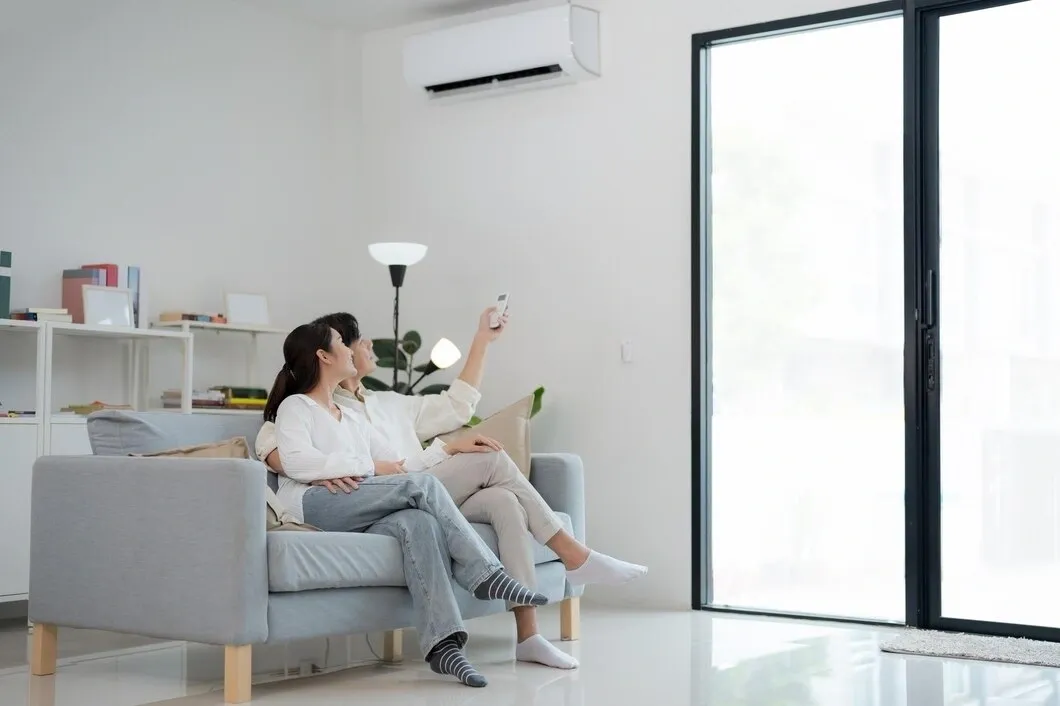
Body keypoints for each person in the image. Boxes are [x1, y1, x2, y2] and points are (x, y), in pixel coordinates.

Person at [257, 310, 647, 671]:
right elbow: (286, 456)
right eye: (357, 342)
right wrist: (337, 470)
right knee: (483, 470)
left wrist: (449, 440)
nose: (368, 348)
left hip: (415, 486)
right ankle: (568, 557)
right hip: (379, 495)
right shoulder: (303, 406)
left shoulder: (383, 407)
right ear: (330, 355)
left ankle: (529, 636)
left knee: (503, 500)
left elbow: (451, 414)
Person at [264, 322, 553, 688]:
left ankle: (444, 646)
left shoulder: (351, 416)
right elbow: (296, 463)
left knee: (418, 522)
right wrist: (366, 467)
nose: (351, 349)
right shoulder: (297, 407)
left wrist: (447, 449)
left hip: (358, 501)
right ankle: (486, 574)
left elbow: (400, 466)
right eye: (341, 342)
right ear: (322, 356)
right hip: (312, 505)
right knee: (423, 489)